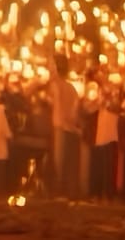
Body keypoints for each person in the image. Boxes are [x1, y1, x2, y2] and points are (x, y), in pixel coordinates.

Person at [51, 55, 83, 196]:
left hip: (60, 127)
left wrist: (62, 121)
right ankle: (68, 191)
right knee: (68, 162)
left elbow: (59, 106)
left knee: (59, 162)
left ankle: (59, 192)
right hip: (70, 128)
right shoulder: (72, 88)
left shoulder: (56, 85)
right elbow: (75, 112)